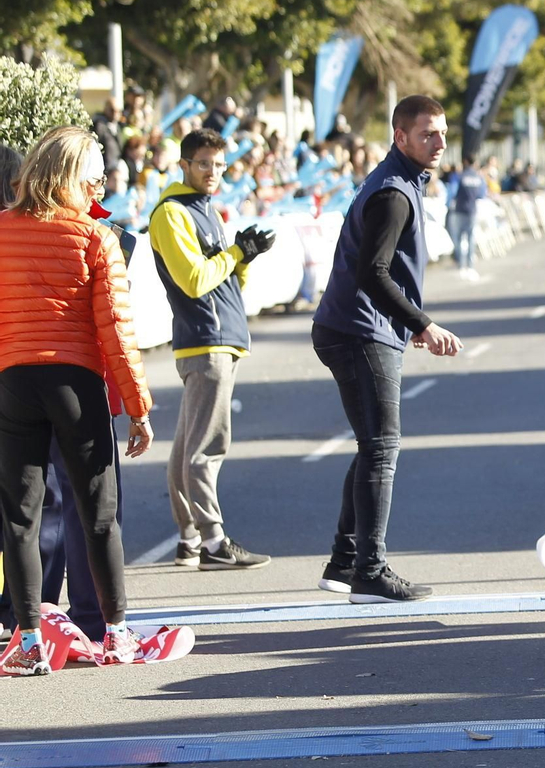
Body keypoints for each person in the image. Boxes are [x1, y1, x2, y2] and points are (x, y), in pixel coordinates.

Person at [0, 126, 155, 675]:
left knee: (19, 518)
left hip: (14, 381)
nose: (100, 178)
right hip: (77, 383)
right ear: (72, 175)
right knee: (99, 516)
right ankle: (115, 635)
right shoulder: (94, 237)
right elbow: (115, 329)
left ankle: (28, 642)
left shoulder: (2, 231)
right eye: (93, 169)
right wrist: (137, 406)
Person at [311, 95, 463, 604]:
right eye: (428, 135)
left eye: (442, 133)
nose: (439, 143)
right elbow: (371, 273)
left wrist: (409, 324)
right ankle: (368, 572)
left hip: (358, 325)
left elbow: (381, 271)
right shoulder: (394, 191)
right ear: (400, 136)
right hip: (358, 329)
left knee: (372, 443)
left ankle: (344, 560)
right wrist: (422, 322)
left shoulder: (400, 179)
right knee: (381, 447)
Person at [149, 128, 276, 571]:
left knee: (187, 447)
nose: (213, 173)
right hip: (206, 339)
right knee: (207, 447)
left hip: (217, 337)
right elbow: (195, 280)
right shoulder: (171, 212)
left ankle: (189, 539)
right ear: (184, 165)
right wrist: (234, 254)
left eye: (219, 166)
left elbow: (224, 280)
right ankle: (214, 540)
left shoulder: (205, 209)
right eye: (204, 164)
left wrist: (244, 257)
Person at [445, 155, 489, 281]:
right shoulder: (478, 177)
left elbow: (452, 193)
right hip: (472, 210)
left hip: (459, 210)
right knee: (470, 237)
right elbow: (482, 194)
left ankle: (461, 263)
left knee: (457, 237)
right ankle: (470, 264)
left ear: (465, 162)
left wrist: (448, 205)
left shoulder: (459, 176)